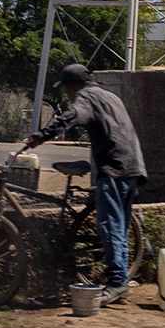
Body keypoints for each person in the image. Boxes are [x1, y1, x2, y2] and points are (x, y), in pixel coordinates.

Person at [25, 63, 146, 306]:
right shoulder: (109, 96)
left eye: (66, 89)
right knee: (120, 227)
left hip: (112, 166)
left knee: (110, 226)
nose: (67, 94)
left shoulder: (85, 98)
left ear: (71, 86)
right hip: (132, 165)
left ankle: (117, 283)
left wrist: (41, 136)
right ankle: (120, 279)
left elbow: (71, 117)